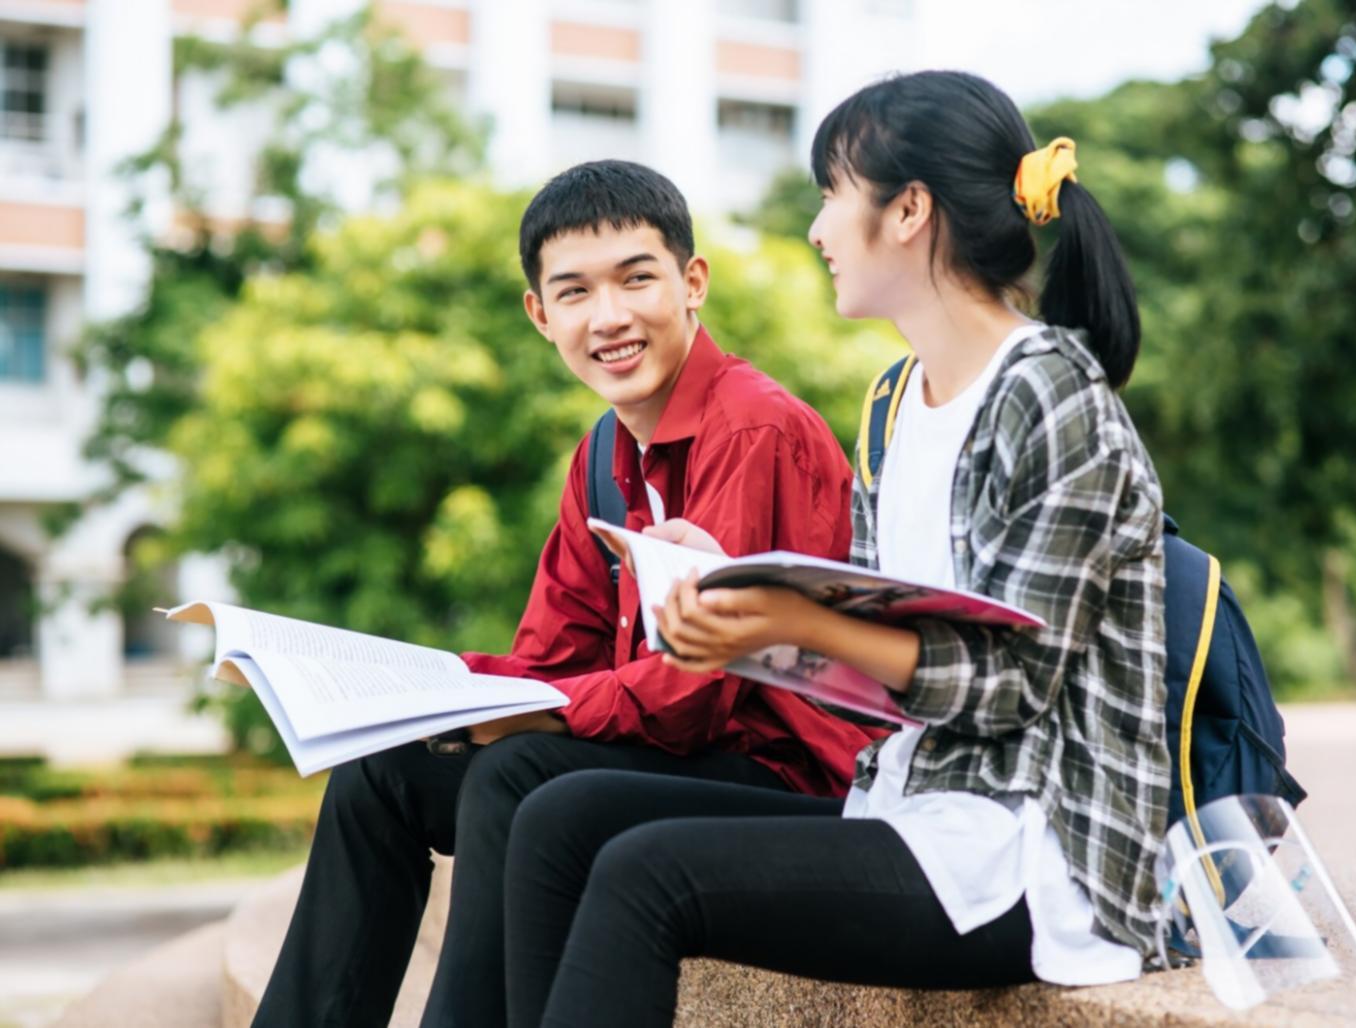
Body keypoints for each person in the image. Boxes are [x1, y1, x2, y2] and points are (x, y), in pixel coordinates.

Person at [499, 71, 1171, 1027]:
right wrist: (722, 585)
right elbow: (872, 641)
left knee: (647, 874)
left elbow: (1009, 687)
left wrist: (797, 619)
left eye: (831, 196)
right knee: (561, 820)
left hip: (1037, 849)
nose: (816, 230)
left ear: (908, 211)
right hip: (915, 804)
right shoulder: (898, 402)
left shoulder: (1050, 395)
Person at [252, 160, 884, 1028]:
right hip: (678, 755)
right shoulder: (600, 459)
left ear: (692, 283)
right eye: (575, 292)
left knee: (516, 770)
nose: (611, 317)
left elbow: (697, 698)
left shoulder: (755, 428)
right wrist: (407, 692)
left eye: (637, 279)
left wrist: (523, 713)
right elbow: (550, 659)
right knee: (382, 772)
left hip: (790, 777)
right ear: (539, 315)